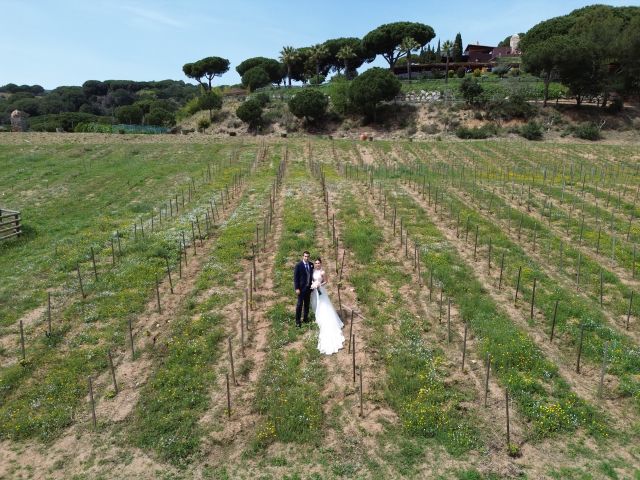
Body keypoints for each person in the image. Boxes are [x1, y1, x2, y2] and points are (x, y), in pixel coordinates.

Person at [310, 257, 344, 355]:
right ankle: (317, 316)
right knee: (316, 304)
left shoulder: (322, 272)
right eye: (316, 263)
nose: (317, 264)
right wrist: (313, 284)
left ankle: (323, 318)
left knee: (323, 305)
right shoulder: (313, 271)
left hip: (320, 291)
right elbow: (311, 278)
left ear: (321, 263)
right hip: (314, 292)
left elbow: (326, 281)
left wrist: (319, 285)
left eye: (318, 263)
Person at [293, 250, 314, 327]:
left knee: (307, 305)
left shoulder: (311, 264)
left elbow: (312, 276)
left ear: (309, 257)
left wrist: (313, 286)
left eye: (308, 256)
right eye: (305, 256)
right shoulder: (298, 265)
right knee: (299, 305)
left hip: (309, 288)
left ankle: (305, 318)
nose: (306, 258)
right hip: (301, 289)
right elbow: (296, 278)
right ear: (303, 256)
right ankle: (298, 321)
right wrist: (296, 288)